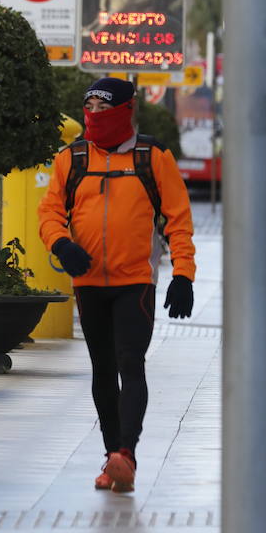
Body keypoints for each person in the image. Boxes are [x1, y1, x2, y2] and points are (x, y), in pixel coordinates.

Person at [38, 75, 195, 495]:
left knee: (131, 364)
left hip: (134, 283)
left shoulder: (152, 156)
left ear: (125, 111)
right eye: (88, 108)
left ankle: (127, 453)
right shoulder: (71, 159)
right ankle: (112, 457)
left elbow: (178, 219)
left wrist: (184, 274)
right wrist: (61, 243)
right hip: (88, 283)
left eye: (102, 109)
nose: (93, 116)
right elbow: (49, 213)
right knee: (103, 371)